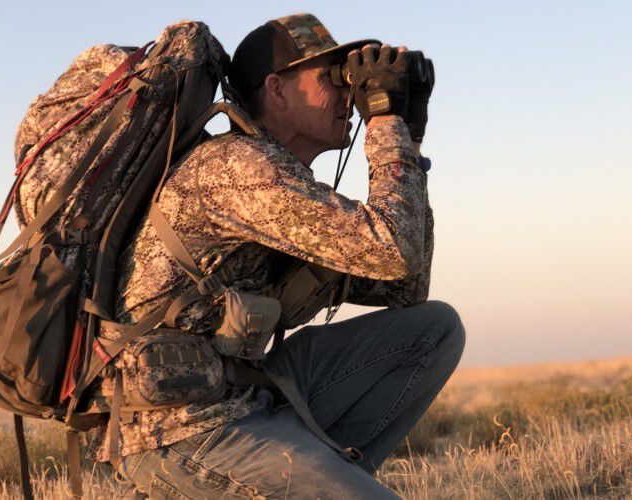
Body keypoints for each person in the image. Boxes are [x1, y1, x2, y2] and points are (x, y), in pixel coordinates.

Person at [99, 13, 465, 497]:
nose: (349, 95)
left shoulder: (287, 180)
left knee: (433, 329)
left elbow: (403, 287)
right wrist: (386, 124)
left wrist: (408, 141)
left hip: (244, 393)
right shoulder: (237, 167)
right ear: (276, 89)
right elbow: (392, 252)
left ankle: (331, 479)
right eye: (333, 77)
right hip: (178, 429)